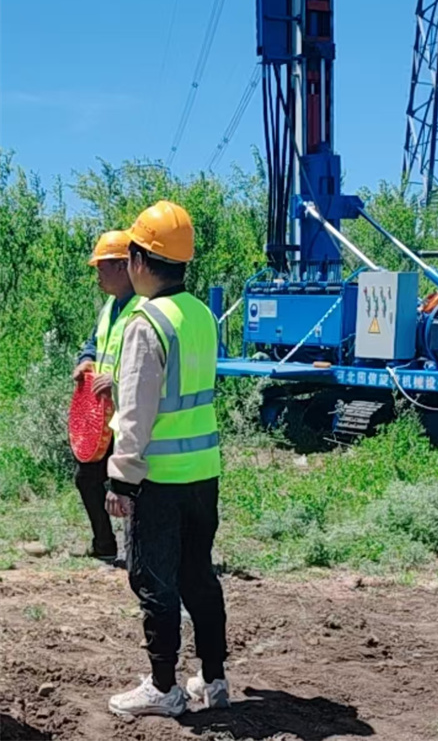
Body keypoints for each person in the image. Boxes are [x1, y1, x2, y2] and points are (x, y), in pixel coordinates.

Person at [105, 200, 229, 719]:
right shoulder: (200, 314)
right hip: (203, 472)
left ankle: (163, 687)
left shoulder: (145, 322)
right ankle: (214, 679)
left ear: (139, 259)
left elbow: (136, 411)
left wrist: (121, 478)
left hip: (159, 478)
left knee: (153, 581)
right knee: (198, 575)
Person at [71, 230, 138, 563]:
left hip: (131, 416)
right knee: (87, 477)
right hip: (101, 417)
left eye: (102, 267)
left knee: (130, 488)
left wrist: (116, 380)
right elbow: (94, 343)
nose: (97, 274)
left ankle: (138, 553)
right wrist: (85, 360)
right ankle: (104, 544)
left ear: (123, 266)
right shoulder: (111, 306)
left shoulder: (143, 308)